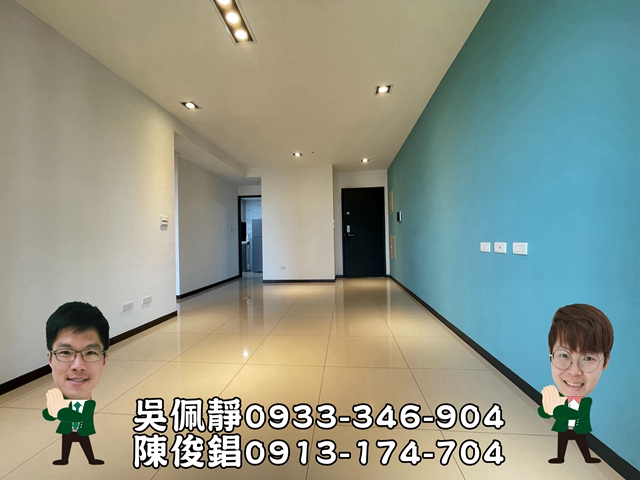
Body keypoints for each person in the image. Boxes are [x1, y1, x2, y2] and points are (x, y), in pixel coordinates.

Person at [538, 304, 614, 464]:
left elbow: (576, 414)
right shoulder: (557, 397)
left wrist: (555, 409)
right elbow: (544, 412)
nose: (574, 372)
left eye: (588, 358)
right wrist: (546, 408)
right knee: (562, 443)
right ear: (550, 354)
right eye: (564, 355)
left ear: (606, 361)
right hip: (563, 428)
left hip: (579, 430)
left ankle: (587, 457)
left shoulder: (585, 402)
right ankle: (560, 457)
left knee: (582, 445)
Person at [43, 301, 109, 465]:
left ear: (104, 359)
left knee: (86, 446)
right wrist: (52, 411)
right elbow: (49, 415)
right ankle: (64, 459)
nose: (78, 365)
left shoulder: (89, 404)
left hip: (82, 431)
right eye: (65, 352)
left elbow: (80, 416)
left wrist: (60, 411)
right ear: (50, 359)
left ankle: (91, 459)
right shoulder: (60, 401)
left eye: (91, 352)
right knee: (66, 447)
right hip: (67, 430)